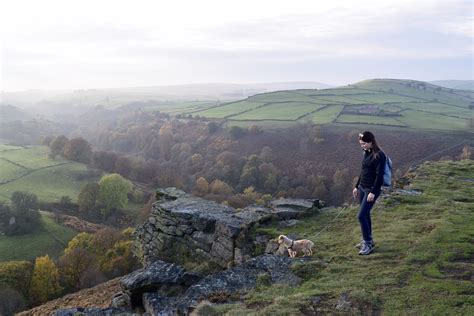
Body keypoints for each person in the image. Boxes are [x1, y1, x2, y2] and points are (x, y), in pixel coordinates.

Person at [352, 131, 387, 255]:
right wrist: (356, 186)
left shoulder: (379, 155)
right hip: (362, 188)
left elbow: (380, 176)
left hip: (371, 190)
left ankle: (367, 244)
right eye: (361, 144)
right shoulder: (366, 153)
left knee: (361, 216)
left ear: (371, 141)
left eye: (364, 143)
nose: (363, 146)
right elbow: (363, 171)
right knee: (365, 215)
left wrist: (373, 192)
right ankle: (368, 241)